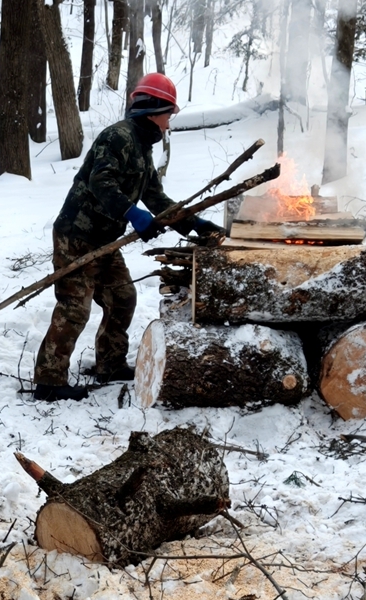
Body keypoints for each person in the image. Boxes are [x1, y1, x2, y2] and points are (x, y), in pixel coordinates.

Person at [33, 73, 224, 402]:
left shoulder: (142, 148)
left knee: (122, 297)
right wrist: (133, 214)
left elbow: (157, 198)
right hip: (77, 236)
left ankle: (110, 363)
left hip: (105, 240)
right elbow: (101, 182)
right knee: (74, 307)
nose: (169, 123)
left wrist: (195, 224)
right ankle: (49, 381)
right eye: (168, 114)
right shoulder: (118, 137)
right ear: (153, 112)